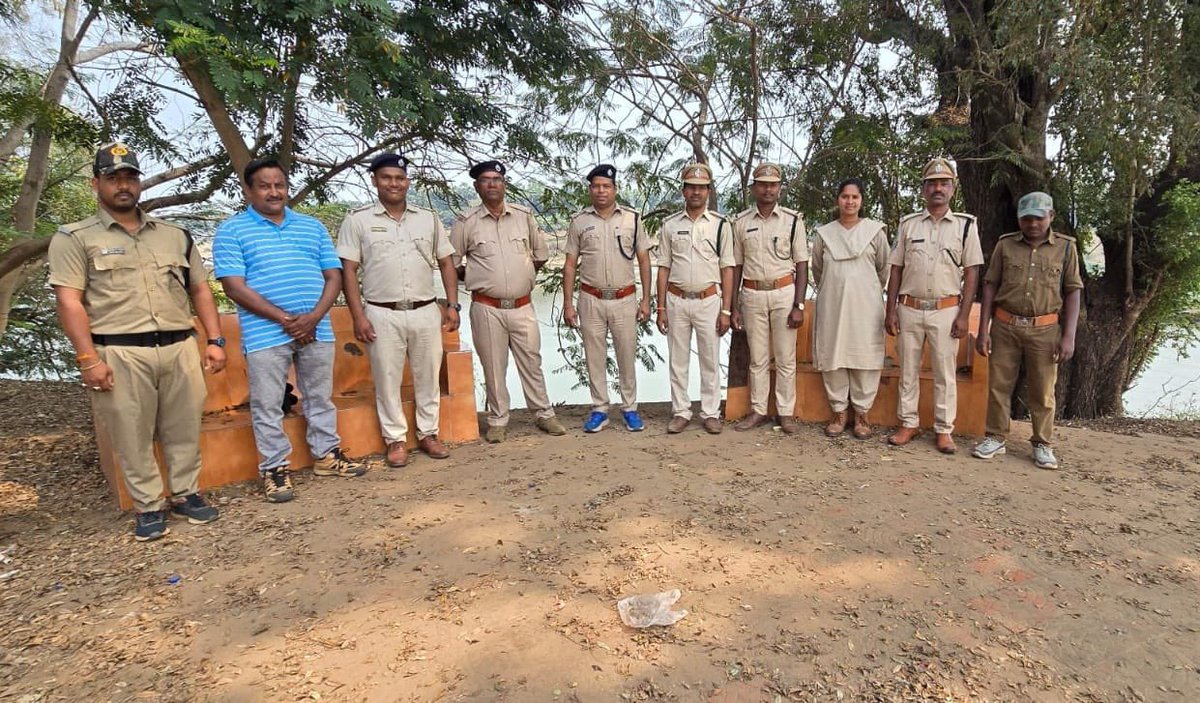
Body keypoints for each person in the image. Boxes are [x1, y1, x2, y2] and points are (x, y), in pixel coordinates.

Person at [48, 142, 225, 541]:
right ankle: (148, 505)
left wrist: (215, 340)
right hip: (120, 349)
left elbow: (200, 290)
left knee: (183, 426)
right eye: (113, 178)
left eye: (129, 176)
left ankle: (185, 494)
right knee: (131, 431)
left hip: (179, 345)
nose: (123, 185)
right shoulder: (75, 238)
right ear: (96, 184)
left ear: (139, 182)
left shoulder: (173, 235)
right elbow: (69, 301)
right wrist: (88, 358)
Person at [213, 157, 366, 505]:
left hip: (317, 328)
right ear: (248, 190)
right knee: (268, 404)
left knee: (319, 396)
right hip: (265, 332)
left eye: (279, 184)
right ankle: (274, 468)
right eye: (264, 185)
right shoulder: (232, 231)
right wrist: (287, 319)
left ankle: (327, 456)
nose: (274, 191)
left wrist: (311, 318)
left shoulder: (311, 227)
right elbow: (235, 287)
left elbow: (334, 277)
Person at [337, 153, 460, 468]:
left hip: (424, 309)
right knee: (387, 378)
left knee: (427, 375)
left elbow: (446, 262)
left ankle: (429, 433)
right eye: (386, 178)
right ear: (375, 180)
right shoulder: (358, 220)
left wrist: (452, 304)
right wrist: (358, 316)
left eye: (400, 178)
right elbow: (348, 271)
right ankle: (395, 440)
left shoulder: (427, 218)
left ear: (408, 181)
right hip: (381, 312)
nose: (394, 183)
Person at [450, 160, 567, 443]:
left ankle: (544, 413)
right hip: (486, 307)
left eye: (497, 179)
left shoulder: (524, 216)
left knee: (532, 361)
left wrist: (519, 278)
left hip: (522, 305)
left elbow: (539, 257)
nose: (493, 184)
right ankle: (498, 419)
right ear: (477, 186)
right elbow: (452, 264)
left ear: (504, 184)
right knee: (493, 365)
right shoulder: (467, 222)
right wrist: (483, 279)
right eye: (486, 180)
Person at [972, 192, 1082, 469]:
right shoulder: (1005, 245)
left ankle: (1042, 443)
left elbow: (1072, 291)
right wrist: (984, 329)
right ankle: (995, 437)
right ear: (1019, 219)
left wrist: (1068, 336)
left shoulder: (1066, 248)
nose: (1032, 223)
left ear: (1051, 217)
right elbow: (990, 285)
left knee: (1043, 390)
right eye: (1026, 218)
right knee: (998, 385)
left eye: (1038, 218)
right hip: (1005, 325)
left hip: (1045, 330)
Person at [884, 158, 983, 454]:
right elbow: (897, 269)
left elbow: (973, 272)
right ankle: (908, 422)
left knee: (944, 372)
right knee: (908, 370)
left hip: (946, 310)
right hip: (909, 308)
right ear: (924, 189)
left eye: (944, 183)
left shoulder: (965, 226)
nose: (938, 188)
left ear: (952, 188)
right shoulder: (908, 224)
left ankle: (943, 429)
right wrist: (890, 310)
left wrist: (964, 315)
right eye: (932, 183)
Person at [562, 164, 653, 433]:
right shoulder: (579, 221)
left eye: (606, 186)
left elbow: (644, 260)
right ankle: (600, 408)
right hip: (591, 298)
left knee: (626, 354)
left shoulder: (632, 219)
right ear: (590, 190)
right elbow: (569, 264)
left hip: (625, 298)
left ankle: (629, 408)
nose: (601, 191)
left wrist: (646, 299)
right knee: (594, 355)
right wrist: (568, 303)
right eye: (596, 186)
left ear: (615, 189)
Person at [655, 162, 735, 434]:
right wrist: (661, 306)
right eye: (691, 187)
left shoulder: (722, 225)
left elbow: (727, 268)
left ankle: (711, 413)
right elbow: (663, 266)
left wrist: (726, 310)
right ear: (684, 191)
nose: (696, 193)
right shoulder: (669, 225)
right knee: (678, 360)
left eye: (701, 188)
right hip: (676, 299)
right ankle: (680, 411)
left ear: (709, 191)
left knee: (710, 359)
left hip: (709, 300)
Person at [729, 163, 809, 434]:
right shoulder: (740, 223)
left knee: (786, 358)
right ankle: (758, 410)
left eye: (773, 184)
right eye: (762, 184)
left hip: (784, 293)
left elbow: (802, 264)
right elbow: (736, 266)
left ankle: (785, 413)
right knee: (758, 359)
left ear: (779, 189)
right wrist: (733, 306)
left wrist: (799, 304)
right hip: (751, 294)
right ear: (753, 188)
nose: (767, 189)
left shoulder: (793, 220)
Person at [812, 178, 890, 438]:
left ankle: (862, 415)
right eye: (845, 196)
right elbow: (818, 270)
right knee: (834, 354)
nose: (849, 201)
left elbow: (883, 269)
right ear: (838, 199)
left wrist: (863, 289)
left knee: (865, 357)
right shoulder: (824, 234)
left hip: (866, 306)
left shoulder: (875, 232)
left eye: (854, 197)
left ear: (861, 201)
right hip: (833, 304)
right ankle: (839, 412)